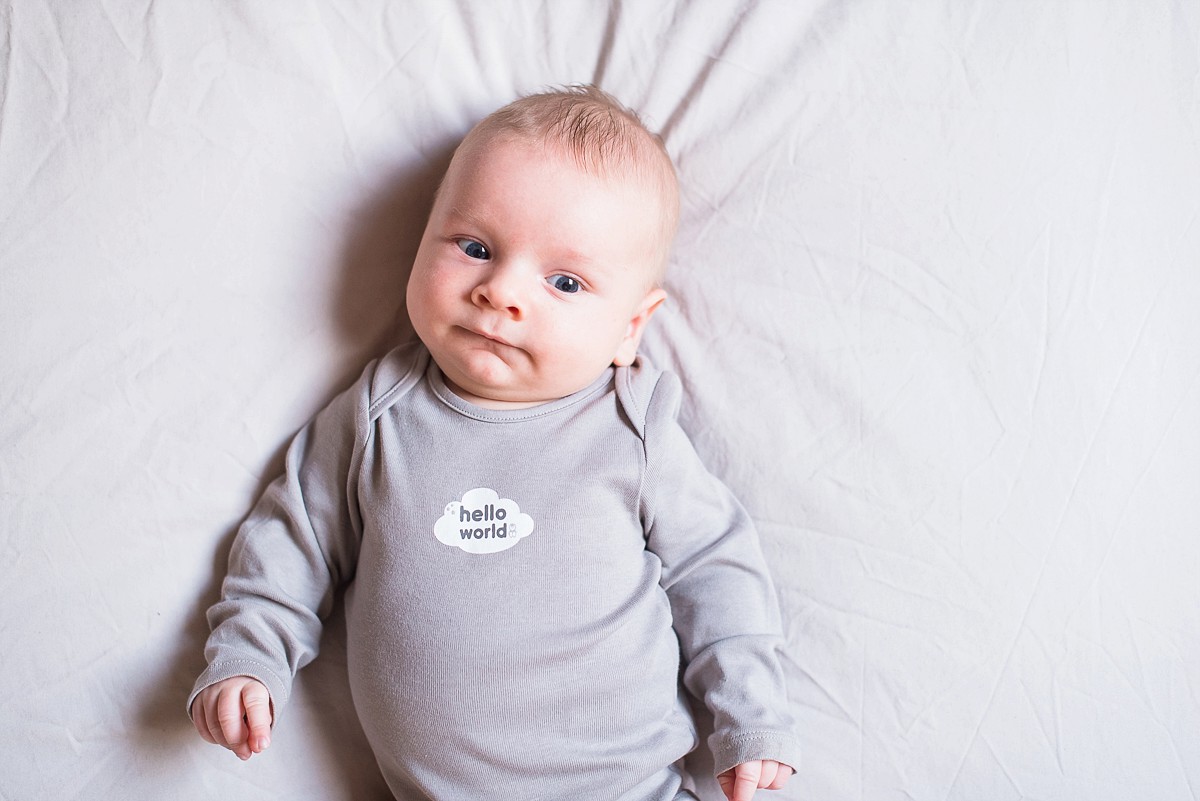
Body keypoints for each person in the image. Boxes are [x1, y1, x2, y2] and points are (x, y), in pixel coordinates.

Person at [189, 85, 800, 801]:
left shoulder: (631, 427)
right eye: (475, 247)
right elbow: (294, 536)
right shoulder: (378, 415)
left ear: (630, 326)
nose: (501, 290)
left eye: (565, 281)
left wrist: (752, 714)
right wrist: (248, 655)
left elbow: (716, 571)